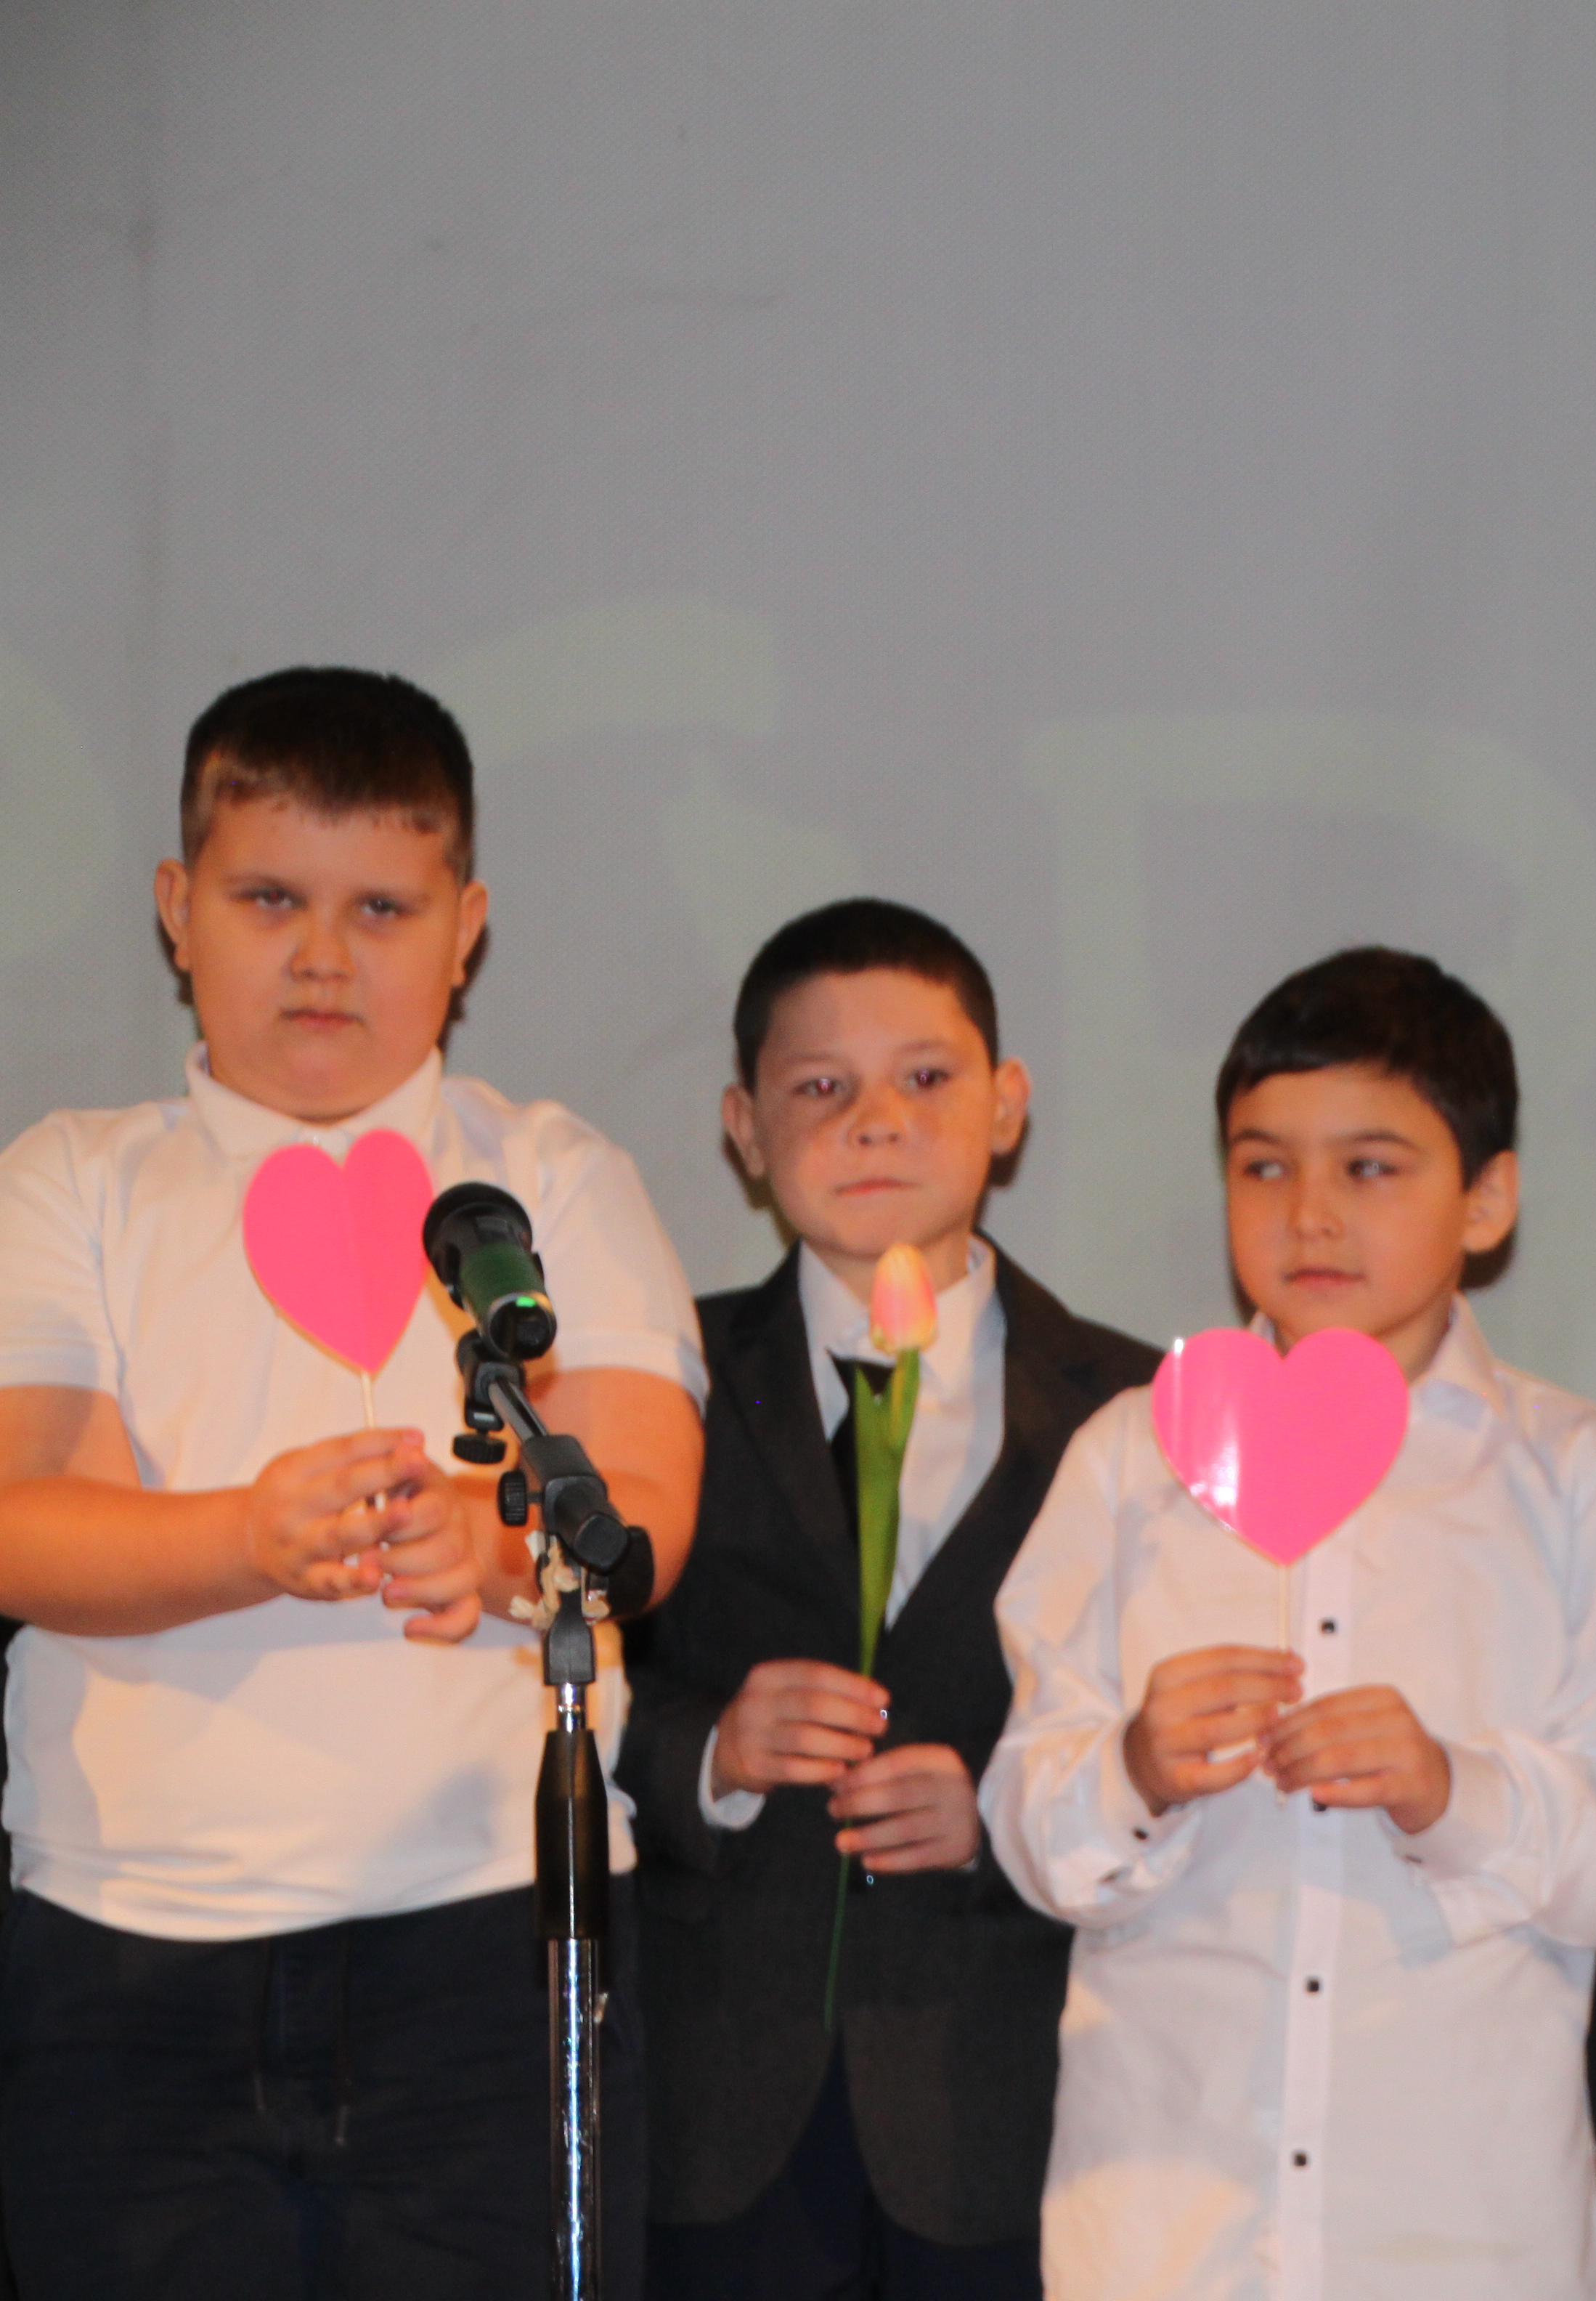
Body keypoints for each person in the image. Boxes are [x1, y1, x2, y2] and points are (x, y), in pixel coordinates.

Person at [0, 666, 705, 2300]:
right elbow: (26, 1522)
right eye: (270, 899)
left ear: (467, 929)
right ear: (177, 909)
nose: (324, 954)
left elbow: (643, 1509)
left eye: (382, 907)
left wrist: (491, 1545)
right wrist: (247, 1537)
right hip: (129, 1957)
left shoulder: (551, 1177)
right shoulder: (71, 1181)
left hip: (494, 1941)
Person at [982, 944, 1596, 2301]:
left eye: (1370, 1167)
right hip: (1163, 2233)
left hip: (1462, 2234)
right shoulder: (1130, 1458)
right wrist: (1132, 1769)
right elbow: (1026, 1818)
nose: (1309, 1214)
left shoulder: (1574, 1472)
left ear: (1487, 1199)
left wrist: (1451, 1789)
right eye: (1263, 1166)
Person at [627, 898, 1160, 2300]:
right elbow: (567, 1690)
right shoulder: (659, 1379)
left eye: (925, 1078)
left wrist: (1003, 1812)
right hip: (721, 2099)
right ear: (744, 1129)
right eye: (820, 1088)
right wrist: (711, 1752)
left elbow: (1161, 1735)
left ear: (1007, 1105)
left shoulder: (1131, 1409)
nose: (875, 1123)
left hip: (1009, 2093)